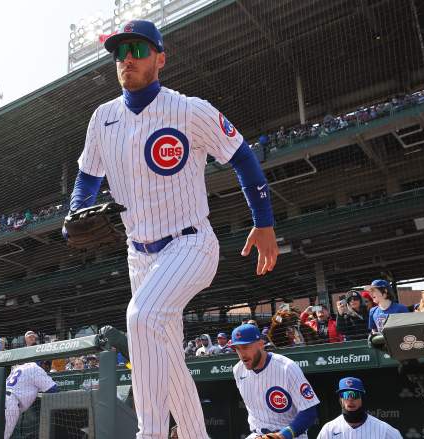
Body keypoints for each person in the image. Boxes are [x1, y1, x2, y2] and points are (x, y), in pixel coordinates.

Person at [67, 20, 278, 439]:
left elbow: (242, 156)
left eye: (138, 49)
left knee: (141, 318)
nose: (126, 57)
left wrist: (264, 223)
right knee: (164, 351)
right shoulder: (101, 117)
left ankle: (150, 433)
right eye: (119, 51)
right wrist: (76, 211)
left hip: (191, 243)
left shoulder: (189, 109)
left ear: (161, 58)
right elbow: (87, 176)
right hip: (138, 254)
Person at [230, 324, 319, 439]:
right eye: (237, 348)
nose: (242, 354)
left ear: (261, 344)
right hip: (257, 435)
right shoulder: (238, 370)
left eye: (246, 347)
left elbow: (309, 412)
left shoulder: (287, 368)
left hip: (289, 435)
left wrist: (282, 435)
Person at [0, 362, 58, 439]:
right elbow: (53, 389)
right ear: (43, 363)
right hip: (9, 403)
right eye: (47, 366)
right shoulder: (36, 368)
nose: (47, 370)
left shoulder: (20, 367)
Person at [316, 377, 402, 438]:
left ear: (362, 398)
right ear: (340, 400)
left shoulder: (384, 429)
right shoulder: (329, 429)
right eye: (345, 395)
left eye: (355, 395)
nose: (350, 399)